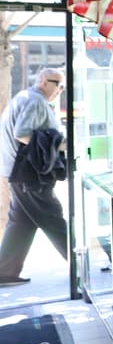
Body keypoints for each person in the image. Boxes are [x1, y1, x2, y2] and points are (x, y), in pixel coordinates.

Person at [0, 68, 67, 286]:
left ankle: (5, 272)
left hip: (18, 172)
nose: (59, 90)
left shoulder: (24, 97)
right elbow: (23, 133)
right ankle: (79, 264)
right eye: (57, 84)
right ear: (42, 81)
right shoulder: (35, 101)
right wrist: (57, 143)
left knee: (21, 222)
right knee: (53, 217)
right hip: (29, 175)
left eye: (62, 86)